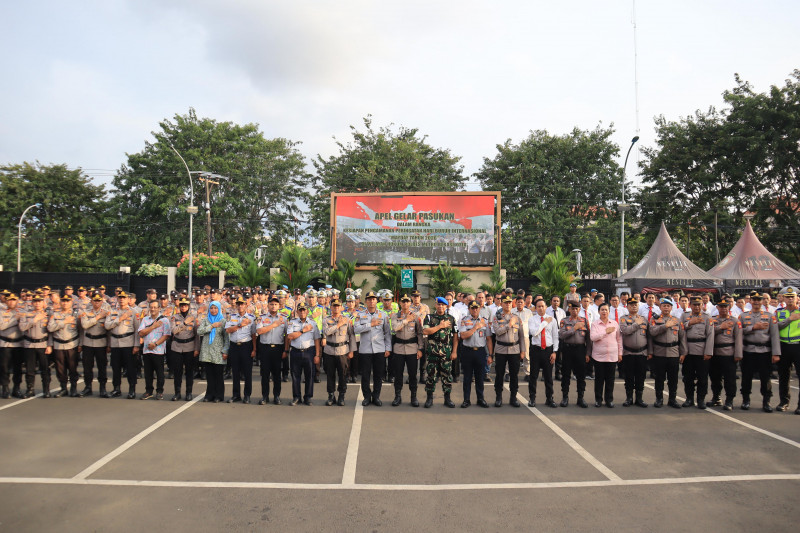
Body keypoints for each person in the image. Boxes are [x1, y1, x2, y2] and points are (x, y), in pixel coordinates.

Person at [738, 291, 781, 412]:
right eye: (754, 300)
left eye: (758, 300)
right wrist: (753, 328)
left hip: (764, 351)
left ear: (762, 301)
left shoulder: (769, 316)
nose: (756, 302)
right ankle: (746, 400)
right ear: (750, 301)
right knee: (746, 377)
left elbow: (774, 335)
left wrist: (776, 353)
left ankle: (766, 401)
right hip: (748, 351)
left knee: (765, 377)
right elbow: (739, 333)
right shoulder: (743, 316)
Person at [353, 292, 391, 407]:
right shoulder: (360, 315)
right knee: (365, 375)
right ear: (366, 301)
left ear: (377, 301)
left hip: (379, 349)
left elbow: (387, 333)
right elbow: (356, 329)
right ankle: (367, 397)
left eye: (373, 299)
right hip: (365, 350)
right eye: (369, 299)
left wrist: (388, 348)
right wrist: (370, 324)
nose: (371, 301)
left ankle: (376, 396)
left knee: (378, 375)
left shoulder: (383, 315)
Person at [678, 295, 715, 409]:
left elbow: (710, 335)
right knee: (688, 377)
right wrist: (690, 323)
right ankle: (689, 398)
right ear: (691, 305)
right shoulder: (684, 316)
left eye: (699, 304)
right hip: (688, 350)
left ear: (702, 305)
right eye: (694, 304)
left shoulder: (707, 317)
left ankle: (701, 399)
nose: (697, 307)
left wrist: (708, 352)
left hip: (702, 350)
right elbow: (680, 331)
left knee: (702, 378)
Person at [422, 297, 458, 408]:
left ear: (446, 306)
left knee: (447, 377)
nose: (440, 307)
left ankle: (447, 398)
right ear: (435, 305)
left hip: (446, 354)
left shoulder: (451, 319)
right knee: (431, 376)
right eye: (439, 304)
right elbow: (426, 331)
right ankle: (429, 398)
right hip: (432, 353)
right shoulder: (429, 318)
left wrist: (454, 351)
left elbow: (456, 336)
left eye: (443, 305)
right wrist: (440, 326)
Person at [648, 298, 684, 409]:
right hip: (659, 353)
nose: (666, 308)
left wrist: (683, 353)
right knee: (659, 378)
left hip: (673, 353)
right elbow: (652, 332)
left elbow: (682, 338)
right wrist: (665, 326)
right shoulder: (655, 319)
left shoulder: (677, 320)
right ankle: (659, 399)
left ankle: (672, 400)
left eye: (668, 306)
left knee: (673, 378)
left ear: (671, 308)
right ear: (660, 307)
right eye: (664, 306)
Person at [492, 295, 526, 407]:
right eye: (505, 303)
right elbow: (497, 331)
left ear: (512, 304)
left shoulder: (517, 318)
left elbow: (521, 336)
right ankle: (498, 397)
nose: (508, 304)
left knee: (514, 376)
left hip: (514, 350)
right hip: (501, 350)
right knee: (499, 375)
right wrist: (509, 325)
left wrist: (523, 350)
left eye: (510, 303)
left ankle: (513, 398)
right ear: (501, 304)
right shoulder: (496, 317)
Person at [709, 298, 742, 411]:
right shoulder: (712, 320)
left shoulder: (734, 320)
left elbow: (738, 338)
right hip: (715, 353)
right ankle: (716, 397)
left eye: (725, 307)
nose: (723, 309)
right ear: (717, 308)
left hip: (729, 353)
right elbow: (707, 333)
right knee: (715, 377)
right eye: (721, 307)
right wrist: (720, 327)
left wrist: (738, 354)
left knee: (730, 379)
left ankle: (729, 400)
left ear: (729, 308)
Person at [105, 292, 140, 398]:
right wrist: (120, 318)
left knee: (130, 368)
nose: (121, 300)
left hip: (128, 343)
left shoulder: (134, 312)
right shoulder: (112, 311)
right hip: (115, 343)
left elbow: (137, 330)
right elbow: (107, 326)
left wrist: (136, 345)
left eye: (124, 298)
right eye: (120, 298)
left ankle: (132, 390)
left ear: (128, 299)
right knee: (116, 368)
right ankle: (116, 389)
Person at [285, 303, 321, 406]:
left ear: (307, 311)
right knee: (295, 376)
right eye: (300, 310)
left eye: (304, 310)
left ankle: (308, 397)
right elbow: (290, 336)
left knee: (309, 375)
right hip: (295, 351)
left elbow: (317, 339)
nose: (302, 312)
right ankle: (296, 397)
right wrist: (303, 330)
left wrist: (317, 355)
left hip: (309, 352)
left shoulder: (313, 324)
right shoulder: (292, 323)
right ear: (297, 312)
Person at [390, 295, 423, 407]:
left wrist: (420, 348)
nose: (405, 304)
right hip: (398, 348)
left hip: (412, 349)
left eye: (407, 302)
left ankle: (413, 397)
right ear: (400, 303)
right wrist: (406, 320)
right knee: (398, 374)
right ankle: (397, 396)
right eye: (403, 302)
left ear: (410, 303)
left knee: (413, 375)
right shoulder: (395, 316)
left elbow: (419, 333)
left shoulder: (416, 316)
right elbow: (395, 328)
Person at [459, 300, 492, 408]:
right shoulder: (464, 320)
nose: (475, 310)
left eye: (476, 308)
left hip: (480, 351)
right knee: (467, 377)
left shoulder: (484, 321)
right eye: (472, 308)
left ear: (479, 308)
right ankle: (466, 400)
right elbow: (463, 336)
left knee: (480, 377)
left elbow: (488, 339)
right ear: (469, 309)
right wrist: (475, 328)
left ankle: (480, 399)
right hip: (467, 351)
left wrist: (490, 354)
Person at [323, 298, 356, 406]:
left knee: (343, 374)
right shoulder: (326, 319)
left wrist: (351, 351)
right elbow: (327, 332)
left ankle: (342, 395)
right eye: (334, 306)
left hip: (343, 351)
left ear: (341, 307)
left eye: (338, 306)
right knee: (330, 375)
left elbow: (351, 336)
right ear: (331, 307)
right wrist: (338, 325)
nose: (336, 308)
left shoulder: (347, 320)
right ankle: (331, 395)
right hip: (329, 351)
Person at [47, 294, 81, 397]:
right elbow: (50, 328)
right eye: (63, 301)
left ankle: (73, 388)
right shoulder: (55, 314)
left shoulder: (76, 314)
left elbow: (81, 330)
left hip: (72, 344)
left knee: (72, 367)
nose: (65, 303)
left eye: (67, 301)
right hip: (58, 345)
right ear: (60, 302)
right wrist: (64, 322)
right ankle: (63, 388)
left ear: (71, 302)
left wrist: (80, 344)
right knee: (60, 368)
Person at [255, 296, 288, 405]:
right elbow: (259, 331)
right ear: (268, 305)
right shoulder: (262, 318)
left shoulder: (284, 318)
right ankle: (265, 396)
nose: (273, 306)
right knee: (265, 374)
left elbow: (287, 336)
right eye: (271, 304)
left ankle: (277, 396)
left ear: (279, 306)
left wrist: (286, 350)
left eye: (276, 304)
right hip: (265, 348)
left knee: (277, 374)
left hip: (278, 348)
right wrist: (273, 325)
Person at [137, 300, 171, 400]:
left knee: (160, 372)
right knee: (148, 373)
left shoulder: (165, 320)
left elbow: (166, 335)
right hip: (147, 350)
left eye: (155, 307)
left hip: (158, 351)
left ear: (159, 308)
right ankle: (148, 391)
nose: (153, 309)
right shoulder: (145, 320)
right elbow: (141, 333)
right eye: (151, 307)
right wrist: (153, 326)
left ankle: (159, 391)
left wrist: (155, 344)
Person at [590, 303, 622, 408]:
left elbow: (619, 339)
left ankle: (609, 400)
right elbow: (593, 337)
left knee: (610, 379)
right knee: (599, 379)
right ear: (599, 311)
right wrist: (605, 332)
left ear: (609, 311)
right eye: (602, 310)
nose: (604, 312)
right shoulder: (595, 324)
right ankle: (598, 400)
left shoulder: (614, 323)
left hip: (612, 356)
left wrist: (620, 353)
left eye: (606, 310)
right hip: (598, 356)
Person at [225, 297, 256, 404]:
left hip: (246, 346)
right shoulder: (231, 317)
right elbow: (228, 330)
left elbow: (253, 335)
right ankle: (236, 395)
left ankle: (247, 395)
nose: (240, 306)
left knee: (247, 372)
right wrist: (239, 325)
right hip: (234, 346)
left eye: (242, 304)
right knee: (235, 372)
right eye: (238, 304)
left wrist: (254, 349)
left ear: (246, 305)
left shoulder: (252, 318)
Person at [558, 301, 590, 408]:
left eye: (577, 309)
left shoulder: (584, 321)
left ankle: (580, 398)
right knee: (566, 375)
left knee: (581, 375)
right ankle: (565, 397)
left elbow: (588, 339)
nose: (574, 311)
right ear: (569, 310)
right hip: (568, 350)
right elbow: (562, 335)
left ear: (579, 309)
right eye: (572, 309)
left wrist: (588, 353)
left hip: (580, 350)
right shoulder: (564, 321)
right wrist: (574, 328)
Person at [619, 298, 648, 407]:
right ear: (627, 307)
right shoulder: (623, 319)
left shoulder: (644, 319)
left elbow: (648, 336)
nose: (634, 306)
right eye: (631, 305)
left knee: (641, 376)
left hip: (642, 353)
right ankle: (629, 398)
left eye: (635, 305)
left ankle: (639, 398)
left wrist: (649, 351)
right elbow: (625, 331)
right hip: (629, 353)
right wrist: (636, 324)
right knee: (629, 377)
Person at [80, 293, 110, 398]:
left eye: (99, 300)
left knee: (102, 367)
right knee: (87, 366)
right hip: (88, 342)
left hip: (101, 342)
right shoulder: (86, 312)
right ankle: (88, 387)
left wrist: (109, 344)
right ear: (91, 301)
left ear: (102, 302)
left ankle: (103, 388)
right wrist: (97, 317)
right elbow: (84, 325)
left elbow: (109, 330)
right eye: (95, 300)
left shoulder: (107, 313)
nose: (97, 302)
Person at [775, 287, 800, 414]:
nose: (790, 299)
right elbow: (775, 327)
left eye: (792, 297)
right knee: (783, 376)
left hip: (798, 346)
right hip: (783, 346)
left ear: (797, 298)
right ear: (783, 299)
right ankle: (784, 402)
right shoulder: (779, 312)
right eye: (788, 297)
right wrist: (790, 319)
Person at [198, 301, 229, 403]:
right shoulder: (206, 320)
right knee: (209, 376)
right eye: (212, 308)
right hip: (207, 352)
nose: (213, 310)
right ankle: (209, 395)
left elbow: (226, 338)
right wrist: (211, 326)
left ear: (219, 309)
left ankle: (219, 396)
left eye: (216, 308)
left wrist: (225, 351)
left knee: (218, 376)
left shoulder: (223, 321)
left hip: (218, 352)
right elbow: (199, 331)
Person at [169, 297, 199, 401]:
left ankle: (189, 392)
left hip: (189, 347)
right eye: (181, 305)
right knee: (177, 371)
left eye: (185, 305)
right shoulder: (174, 317)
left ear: (188, 306)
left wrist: (196, 348)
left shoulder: (194, 317)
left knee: (189, 371)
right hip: (177, 347)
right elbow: (174, 331)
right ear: (179, 306)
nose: (183, 307)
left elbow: (197, 335)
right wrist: (185, 323)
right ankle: (177, 393)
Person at [0, 294, 23, 399]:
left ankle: (16, 388)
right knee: (4, 367)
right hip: (5, 343)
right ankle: (5, 388)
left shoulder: (22, 312)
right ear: (6, 301)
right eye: (9, 300)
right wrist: (15, 319)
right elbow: (2, 326)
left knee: (18, 367)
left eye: (14, 300)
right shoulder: (2, 312)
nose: (11, 302)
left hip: (19, 343)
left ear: (17, 301)